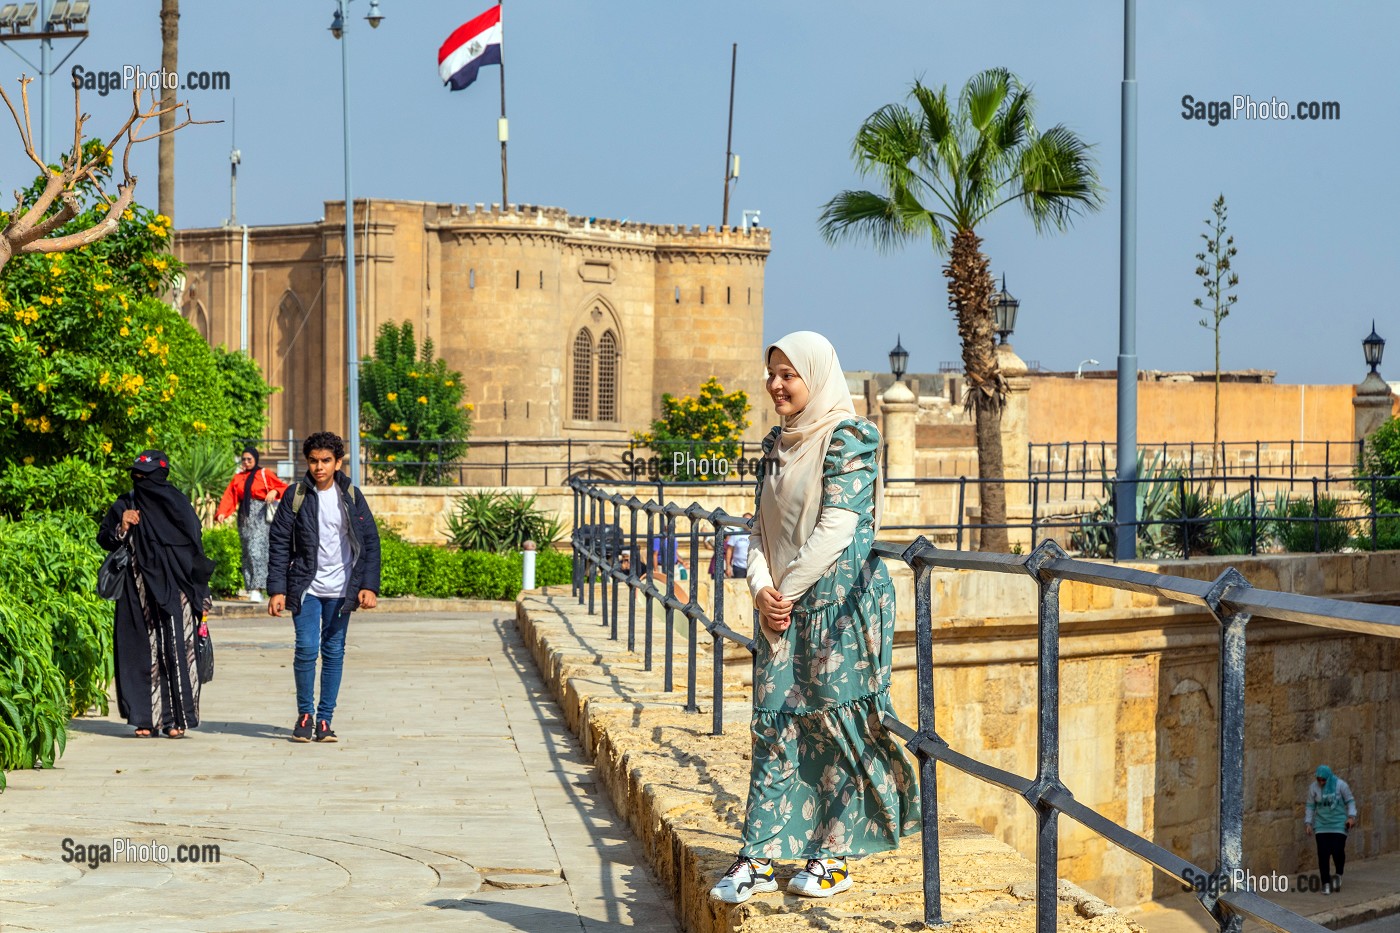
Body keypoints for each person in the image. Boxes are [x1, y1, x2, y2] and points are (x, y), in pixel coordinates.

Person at [709, 332, 920, 905]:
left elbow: (840, 527)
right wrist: (761, 590)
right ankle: (757, 855)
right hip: (782, 607)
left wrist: (785, 591)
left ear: (816, 377)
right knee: (773, 724)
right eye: (772, 373)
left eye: (788, 375)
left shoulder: (850, 438)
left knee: (836, 724)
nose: (776, 384)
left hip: (837, 609)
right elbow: (756, 529)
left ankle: (833, 856)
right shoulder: (778, 445)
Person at [267, 432, 381, 744]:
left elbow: (370, 542)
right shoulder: (296, 496)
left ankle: (325, 719)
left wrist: (369, 586)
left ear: (338, 463)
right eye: (314, 461)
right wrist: (277, 589)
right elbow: (278, 544)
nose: (319, 467)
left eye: (326, 461)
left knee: (333, 651)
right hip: (306, 586)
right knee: (306, 648)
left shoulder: (352, 497)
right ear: (308, 462)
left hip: (343, 589)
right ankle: (305, 715)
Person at [97, 450, 216, 739]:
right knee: (138, 653)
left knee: (177, 652)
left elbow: (194, 550)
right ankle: (144, 718)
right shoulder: (126, 503)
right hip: (136, 592)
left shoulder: (177, 505)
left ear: (159, 477)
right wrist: (122, 525)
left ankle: (177, 719)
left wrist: (201, 593)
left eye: (145, 476)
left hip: (177, 592)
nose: (139, 480)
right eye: (135, 475)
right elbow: (104, 538)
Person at [214, 446, 288, 603]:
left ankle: (257, 588)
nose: (246, 462)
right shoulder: (238, 478)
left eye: (250, 459)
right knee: (247, 552)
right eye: (244, 459)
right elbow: (230, 496)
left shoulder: (264, 474)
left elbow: (284, 487)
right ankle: (251, 587)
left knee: (257, 551)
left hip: (261, 516)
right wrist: (222, 512)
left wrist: (274, 492)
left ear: (256, 459)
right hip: (244, 518)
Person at [1305, 765, 1357, 894]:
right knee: (1323, 854)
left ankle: (1338, 874)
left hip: (1339, 824)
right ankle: (1326, 883)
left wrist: (1351, 817)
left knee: (1337, 851)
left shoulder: (1341, 785)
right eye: (1319, 780)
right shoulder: (1313, 788)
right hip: (1322, 825)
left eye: (1324, 780)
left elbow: (1350, 801)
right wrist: (1308, 823)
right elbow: (1310, 806)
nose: (1321, 782)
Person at [724, 513, 752, 578]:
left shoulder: (756, 533)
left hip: (753, 566)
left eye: (749, 520)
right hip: (739, 567)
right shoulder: (736, 532)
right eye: (745, 520)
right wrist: (728, 566)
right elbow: (729, 550)